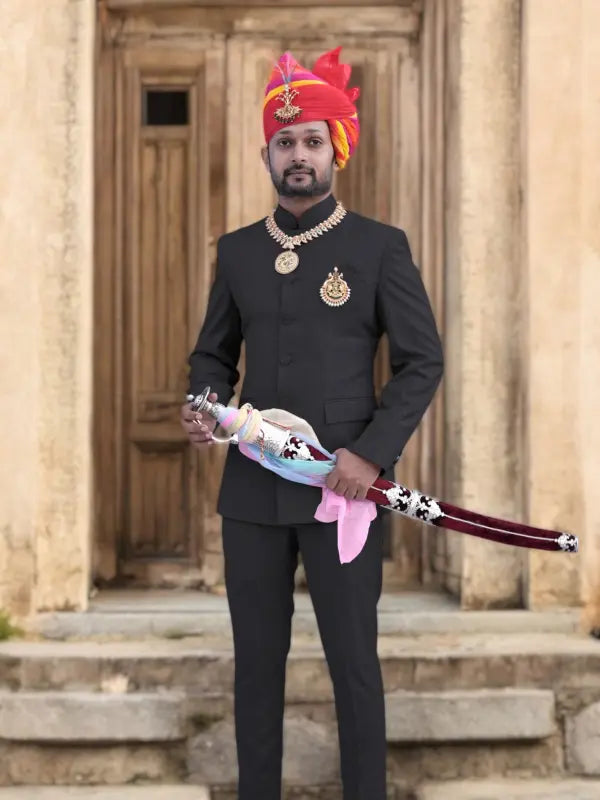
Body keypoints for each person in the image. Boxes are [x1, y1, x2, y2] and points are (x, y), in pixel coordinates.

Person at [180, 47, 444, 800]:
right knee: (256, 664)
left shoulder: (377, 247)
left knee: (354, 664)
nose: (299, 155)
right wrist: (203, 406)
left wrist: (370, 455)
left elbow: (421, 362)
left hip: (343, 490)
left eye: (313, 142)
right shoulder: (235, 253)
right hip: (253, 493)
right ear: (267, 151)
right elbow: (211, 357)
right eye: (285, 142)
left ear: (338, 149)